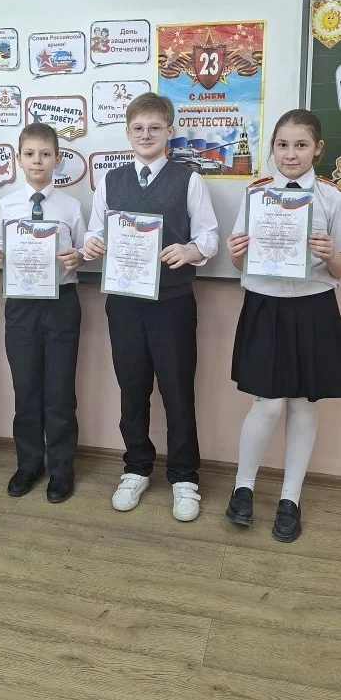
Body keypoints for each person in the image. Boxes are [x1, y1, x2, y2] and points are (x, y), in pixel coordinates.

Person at [83, 92, 219, 521]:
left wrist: (190, 251)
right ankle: (136, 467)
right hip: (124, 303)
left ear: (169, 132)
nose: (146, 135)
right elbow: (93, 234)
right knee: (132, 387)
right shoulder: (111, 180)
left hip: (172, 303)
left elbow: (210, 236)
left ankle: (184, 476)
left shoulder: (189, 179)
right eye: (138, 128)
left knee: (177, 390)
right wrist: (92, 245)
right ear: (128, 133)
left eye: (155, 128)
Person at [226, 108, 341, 542]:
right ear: (272, 148)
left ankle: (290, 498)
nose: (290, 154)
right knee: (268, 404)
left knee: (304, 405)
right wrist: (236, 253)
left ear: (318, 149)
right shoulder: (256, 194)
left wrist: (331, 254)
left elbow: (340, 268)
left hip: (313, 307)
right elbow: (239, 262)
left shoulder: (331, 197)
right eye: (282, 145)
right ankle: (243, 487)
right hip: (265, 305)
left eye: (301, 145)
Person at [0, 123, 85, 503]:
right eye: (29, 154)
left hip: (61, 303)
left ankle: (61, 468)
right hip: (21, 305)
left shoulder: (71, 207)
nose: (37, 161)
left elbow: (86, 250)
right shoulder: (7, 205)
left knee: (59, 392)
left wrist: (79, 257)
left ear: (57, 159)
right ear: (18, 159)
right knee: (25, 389)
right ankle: (28, 464)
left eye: (45, 154)